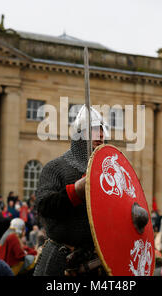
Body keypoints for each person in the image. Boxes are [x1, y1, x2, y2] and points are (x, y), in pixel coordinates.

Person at [34, 105, 107, 276]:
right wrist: (76, 191)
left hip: (98, 260)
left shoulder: (109, 173)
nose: (101, 135)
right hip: (62, 259)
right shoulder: (55, 168)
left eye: (102, 131)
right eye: (94, 130)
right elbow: (44, 206)